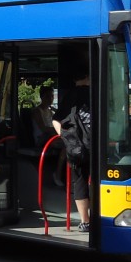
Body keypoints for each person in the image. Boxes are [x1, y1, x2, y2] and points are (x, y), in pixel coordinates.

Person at [54, 71, 93, 232]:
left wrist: (65, 137)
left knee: (80, 181)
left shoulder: (69, 96)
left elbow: (56, 119)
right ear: (87, 77)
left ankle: (85, 221)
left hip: (76, 147)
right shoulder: (95, 92)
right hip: (95, 145)